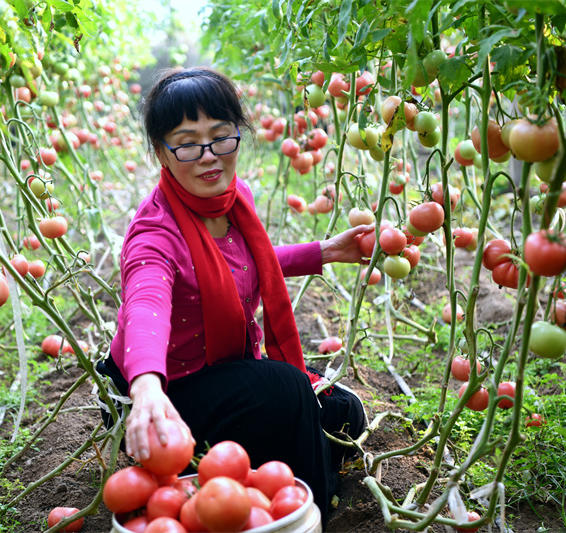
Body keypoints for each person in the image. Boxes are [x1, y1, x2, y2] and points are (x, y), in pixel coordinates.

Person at [96, 66, 373, 520]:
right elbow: (146, 305)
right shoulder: (153, 234)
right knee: (286, 389)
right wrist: (147, 388)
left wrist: (323, 252)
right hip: (163, 398)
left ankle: (272, 478)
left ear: (237, 136)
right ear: (161, 154)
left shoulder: (231, 198)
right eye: (187, 142)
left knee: (339, 408)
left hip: (217, 373)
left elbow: (242, 264)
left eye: (221, 136)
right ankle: (306, 515)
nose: (208, 156)